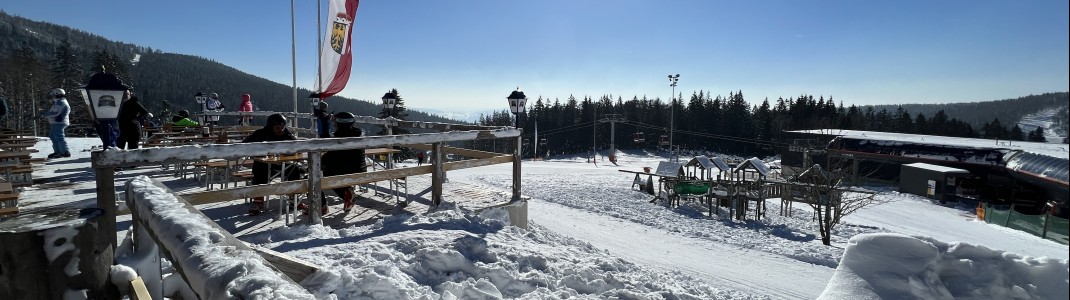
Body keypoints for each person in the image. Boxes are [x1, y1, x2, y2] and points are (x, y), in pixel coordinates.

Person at [242, 113, 304, 216]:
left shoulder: (286, 134)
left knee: (295, 169)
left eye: (283, 127)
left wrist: (291, 150)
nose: (281, 130)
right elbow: (244, 145)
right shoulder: (260, 134)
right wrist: (257, 151)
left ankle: (294, 198)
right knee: (260, 167)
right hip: (264, 164)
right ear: (271, 126)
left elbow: (296, 147)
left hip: (280, 165)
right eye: (277, 127)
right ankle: (258, 200)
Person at [321, 112, 366, 213]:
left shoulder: (340, 138)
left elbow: (330, 156)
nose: (333, 125)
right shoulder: (357, 135)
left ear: (340, 124)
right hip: (360, 170)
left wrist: (319, 163)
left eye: (335, 122)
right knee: (329, 171)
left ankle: (321, 205)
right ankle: (348, 194)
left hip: (346, 172)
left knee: (320, 176)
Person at [41, 88, 71, 158]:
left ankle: (64, 152)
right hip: (55, 122)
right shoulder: (58, 102)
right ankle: (58, 152)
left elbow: (55, 112)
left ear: (57, 94)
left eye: (53, 94)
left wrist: (44, 115)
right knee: (53, 136)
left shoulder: (60, 102)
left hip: (58, 122)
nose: (52, 96)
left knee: (59, 137)